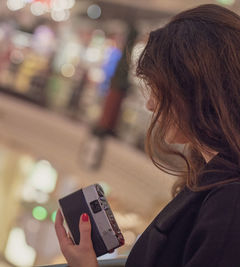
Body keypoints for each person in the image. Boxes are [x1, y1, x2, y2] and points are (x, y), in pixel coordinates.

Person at [55, 4, 240, 267]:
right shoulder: (210, 179)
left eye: (158, 89)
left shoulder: (229, 204)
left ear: (194, 91)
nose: (151, 104)